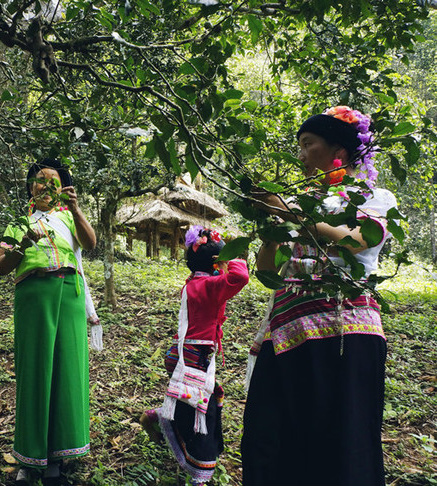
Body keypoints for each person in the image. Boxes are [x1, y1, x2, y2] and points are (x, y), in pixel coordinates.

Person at [241, 106, 397, 486]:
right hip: (288, 334)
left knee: (340, 444)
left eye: (307, 144)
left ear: (337, 151)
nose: (301, 155)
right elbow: (266, 274)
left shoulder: (374, 197)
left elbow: (361, 241)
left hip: (344, 334)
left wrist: (295, 216)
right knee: (268, 440)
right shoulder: (301, 202)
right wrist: (270, 226)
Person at [0, 158, 100, 485]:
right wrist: (21, 245)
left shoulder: (69, 217)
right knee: (36, 371)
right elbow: (1, 266)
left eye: (54, 182)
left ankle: (58, 456)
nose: (46, 186)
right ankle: (30, 458)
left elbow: (90, 243)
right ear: (30, 186)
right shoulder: (17, 222)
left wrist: (77, 209)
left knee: (66, 371)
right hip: (33, 295)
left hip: (69, 293)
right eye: (40, 180)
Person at [140, 226, 249, 485]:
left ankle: (153, 417)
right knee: (202, 409)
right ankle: (200, 470)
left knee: (190, 401)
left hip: (181, 353)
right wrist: (228, 259)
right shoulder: (211, 286)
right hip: (196, 356)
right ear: (216, 263)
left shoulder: (193, 284)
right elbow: (241, 276)